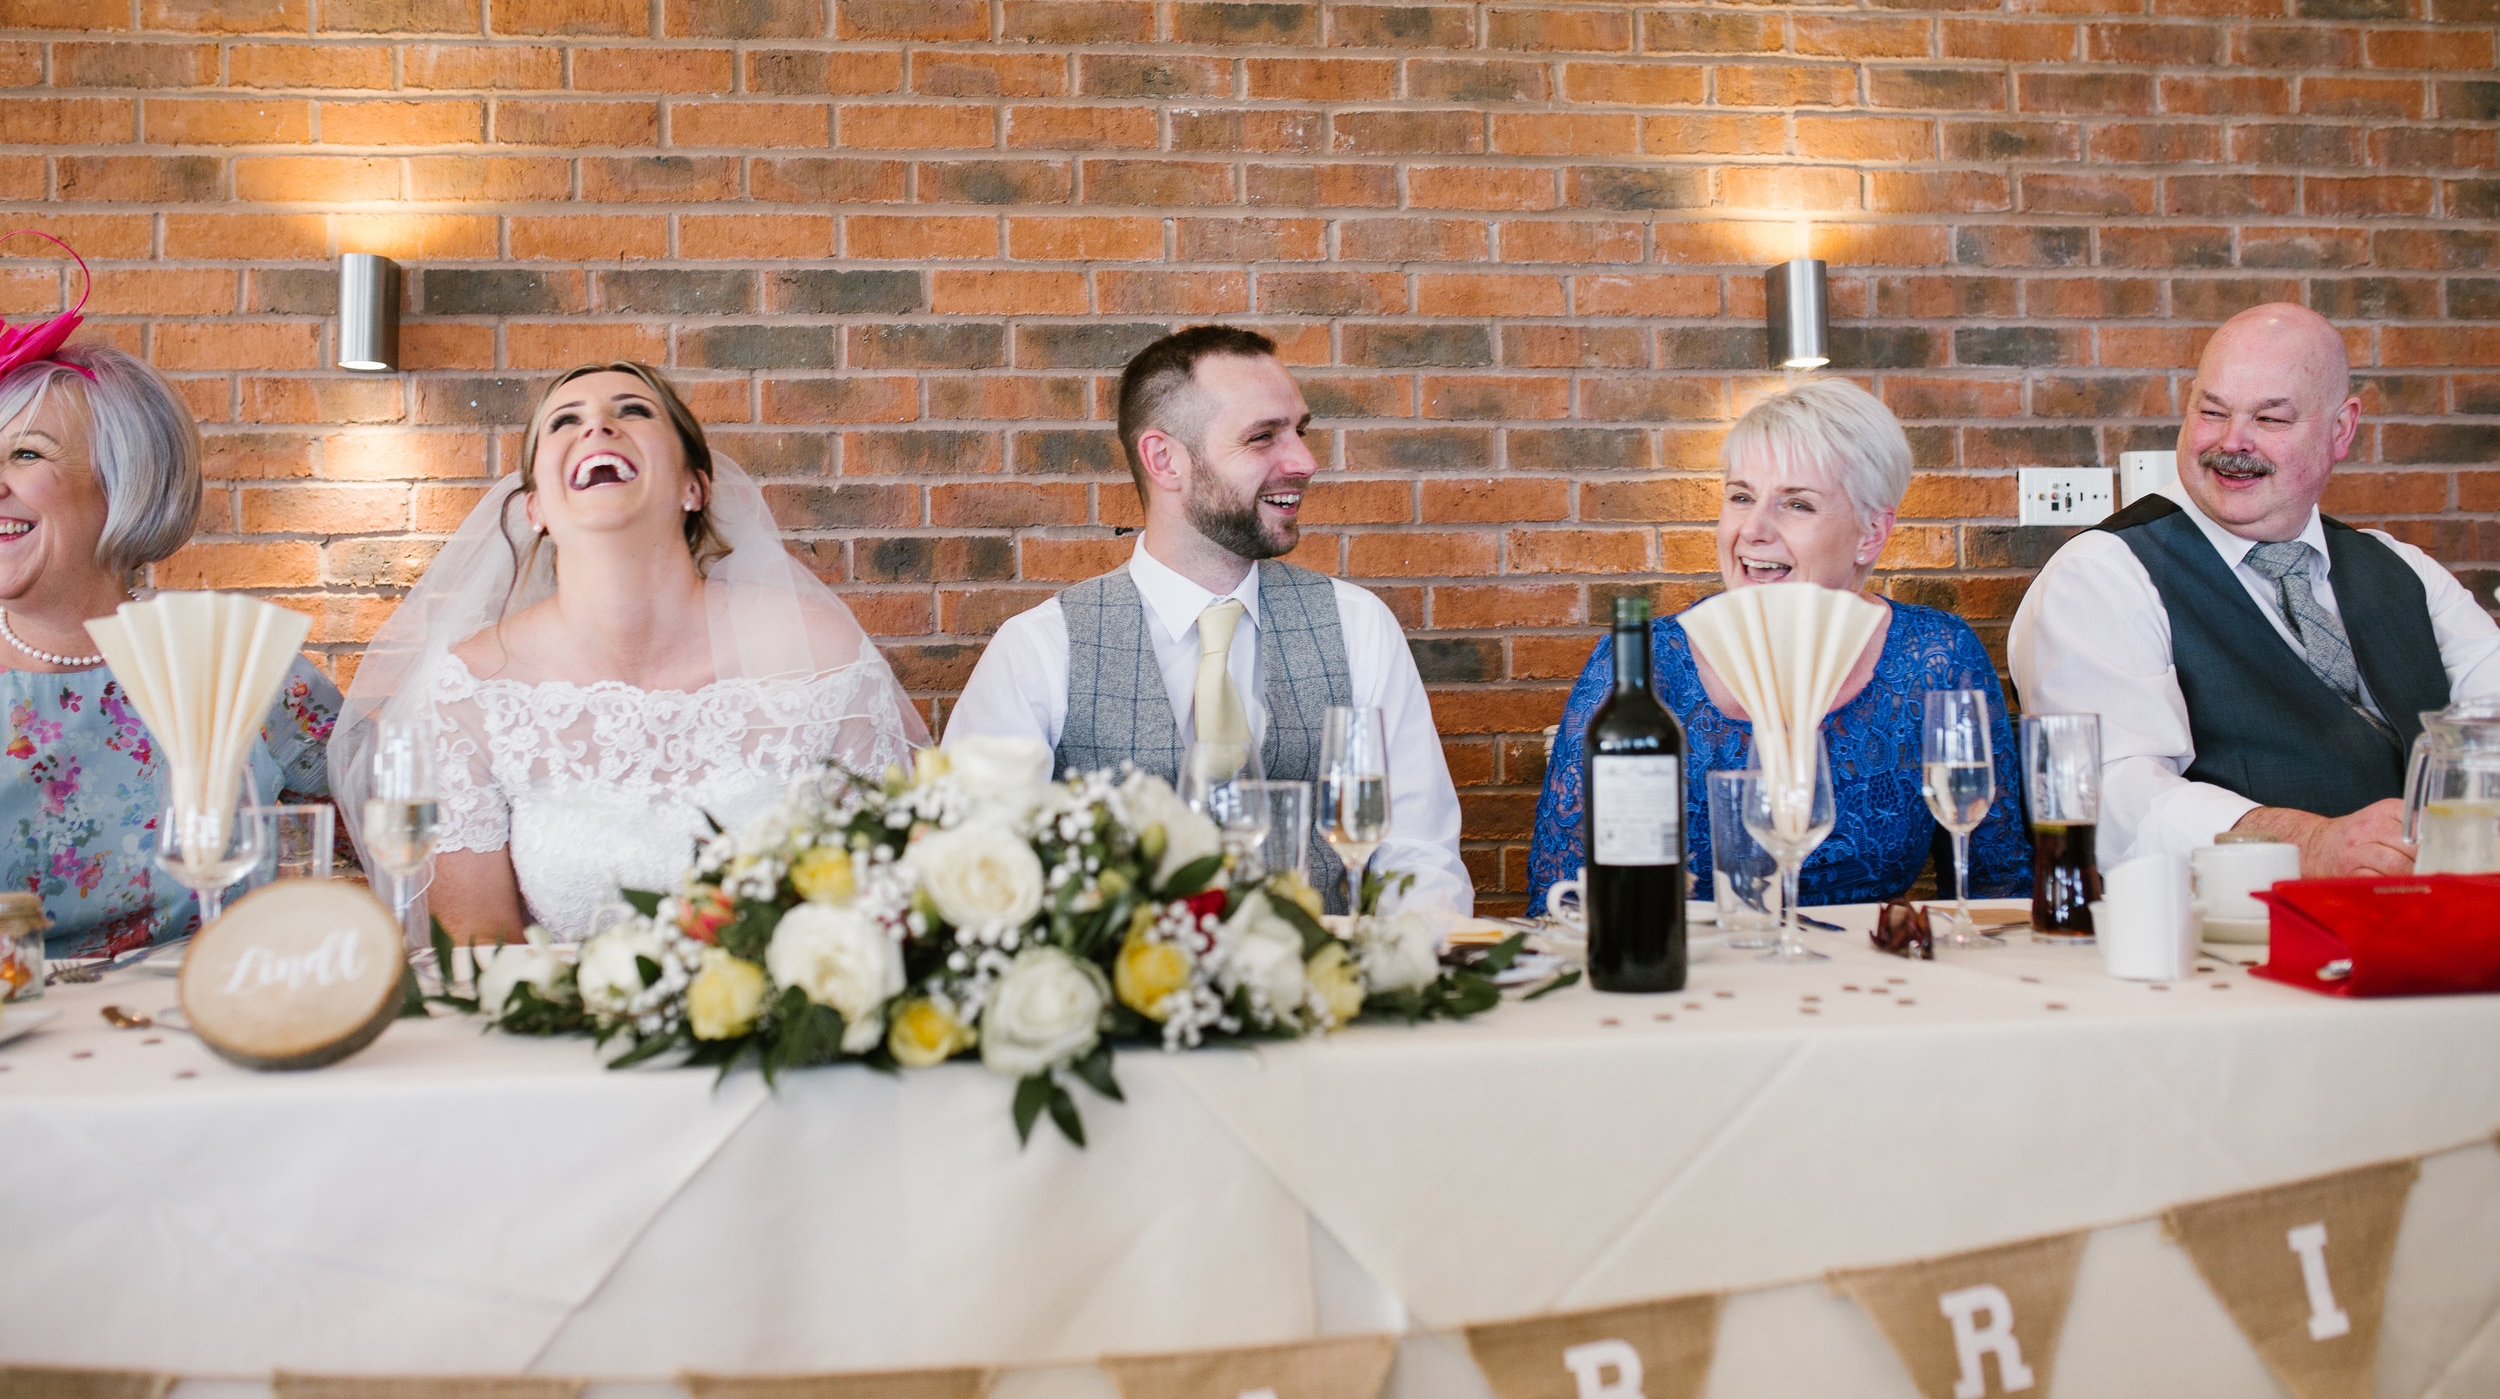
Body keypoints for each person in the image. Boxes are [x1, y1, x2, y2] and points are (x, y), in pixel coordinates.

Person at [332, 362, 928, 944]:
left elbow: (898, 898)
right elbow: (479, 952)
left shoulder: (818, 652)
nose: (596, 428)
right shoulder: (473, 690)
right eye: (565, 421)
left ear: (695, 486)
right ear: (535, 508)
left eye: (633, 411)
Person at [944, 325, 1471, 915]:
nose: (1305, 461)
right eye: (1262, 437)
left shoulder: (1359, 628)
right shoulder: (1039, 651)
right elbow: (970, 870)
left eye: (1301, 431)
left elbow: (1421, 860)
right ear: (1165, 459)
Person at [2011, 303, 2500, 876]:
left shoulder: (2403, 570)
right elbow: (2108, 796)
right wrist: (2305, 845)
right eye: (2212, 411)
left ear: (2340, 429)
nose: (2232, 442)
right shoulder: (2101, 575)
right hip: (2225, 944)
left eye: (2270, 419)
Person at [1528, 379, 2026, 914]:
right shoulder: (1644, 662)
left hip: (1867, 979)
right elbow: (1563, 896)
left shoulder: (1936, 657)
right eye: (1741, 497)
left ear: (1871, 533)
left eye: (1797, 505)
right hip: (1684, 975)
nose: (1754, 529)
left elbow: (1997, 884)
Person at [0, 277, 336, 957]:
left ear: (124, 482)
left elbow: (395, 835)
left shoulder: (234, 665)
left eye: (26, 453)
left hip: (211, 1032)